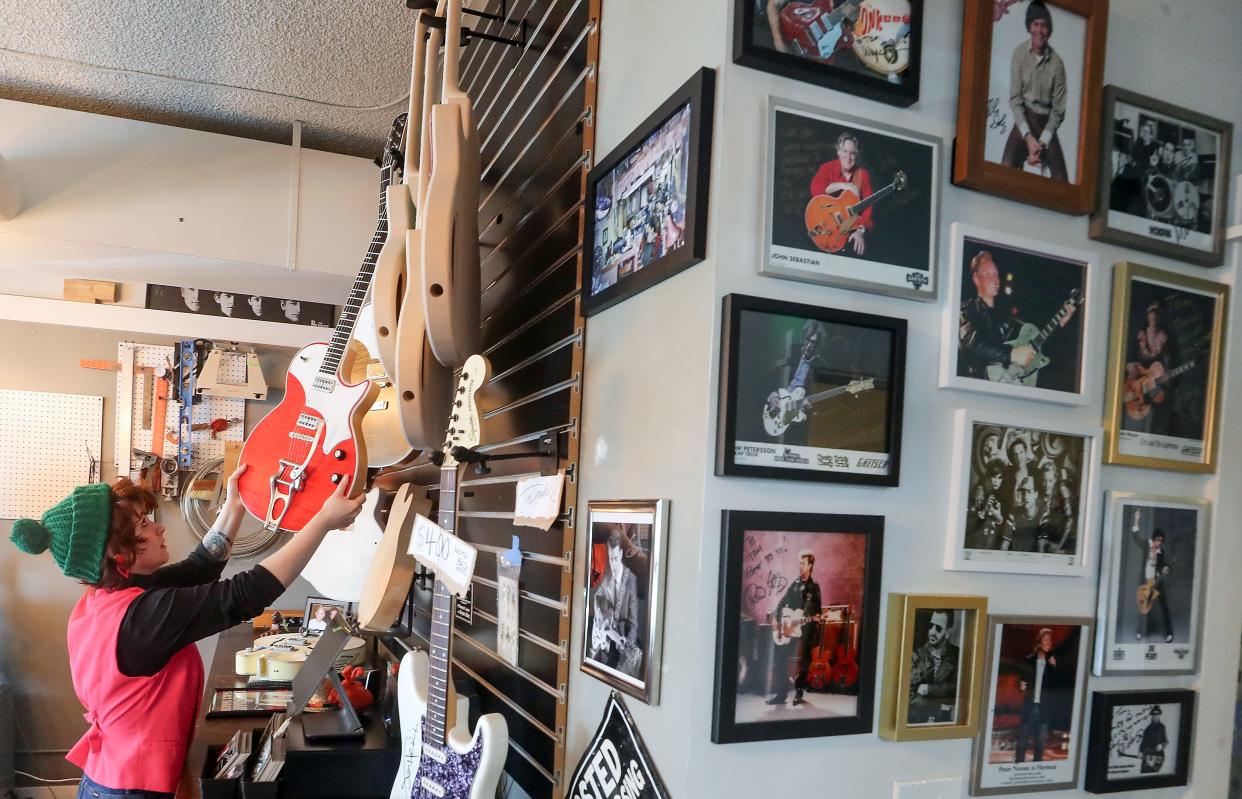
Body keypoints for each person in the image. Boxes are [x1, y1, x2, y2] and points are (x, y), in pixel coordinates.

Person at [8, 466, 365, 799]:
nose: (158, 527)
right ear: (117, 551)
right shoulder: (141, 617)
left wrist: (235, 505)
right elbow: (244, 594)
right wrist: (322, 522)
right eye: (144, 523)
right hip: (131, 787)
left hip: (111, 779)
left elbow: (199, 567)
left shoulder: (111, 597)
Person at [1001, 1, 1069, 181]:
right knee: (1005, 168)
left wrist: (1043, 142)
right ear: (1029, 27)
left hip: (1047, 125)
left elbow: (1058, 110)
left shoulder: (1057, 63)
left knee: (1061, 181)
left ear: (1050, 30)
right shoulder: (1019, 54)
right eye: (1035, 24)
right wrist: (1028, 137)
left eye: (1044, 25)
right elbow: (1015, 99)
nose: (1040, 31)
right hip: (1025, 120)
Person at [958, 252, 1037, 380]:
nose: (994, 279)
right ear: (976, 279)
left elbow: (1030, 335)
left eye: (996, 274)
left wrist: (1060, 321)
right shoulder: (967, 310)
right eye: (988, 274)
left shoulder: (1005, 314)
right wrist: (1012, 354)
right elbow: (972, 343)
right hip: (976, 384)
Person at [768, 549, 822, 706]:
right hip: (790, 627)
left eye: (803, 563)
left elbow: (818, 611)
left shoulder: (815, 587)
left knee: (804, 661)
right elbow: (782, 601)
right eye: (799, 563)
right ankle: (781, 694)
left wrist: (815, 618)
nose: (799, 566)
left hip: (806, 628)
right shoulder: (795, 584)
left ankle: (799, 693)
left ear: (810, 565)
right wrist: (776, 618)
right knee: (780, 657)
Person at [588, 530, 641, 678]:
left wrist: (627, 641)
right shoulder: (608, 574)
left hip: (621, 646)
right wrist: (598, 611)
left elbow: (634, 622)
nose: (613, 564)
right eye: (610, 559)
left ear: (622, 554)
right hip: (606, 644)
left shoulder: (630, 580)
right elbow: (598, 595)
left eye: (616, 558)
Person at [809, 132, 872, 254]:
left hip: (850, 229)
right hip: (824, 225)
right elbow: (815, 190)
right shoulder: (827, 168)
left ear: (856, 154)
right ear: (838, 151)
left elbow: (868, 207)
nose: (848, 157)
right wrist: (845, 185)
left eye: (852, 153)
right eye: (845, 151)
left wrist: (860, 230)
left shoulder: (863, 175)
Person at [1123, 298, 1177, 435]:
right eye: (1151, 312)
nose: (1154, 316)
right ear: (1147, 315)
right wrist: (1140, 374)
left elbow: (1167, 368)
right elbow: (1130, 360)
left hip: (1154, 386)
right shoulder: (1140, 336)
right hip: (1136, 383)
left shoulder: (1166, 339)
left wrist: (1158, 378)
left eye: (1157, 312)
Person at [1014, 627, 1064, 763]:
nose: (1048, 643)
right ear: (1039, 643)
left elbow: (1058, 687)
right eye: (1045, 640)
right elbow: (1021, 683)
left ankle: (1037, 767)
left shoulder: (1053, 663)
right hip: (1030, 706)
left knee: (1040, 743)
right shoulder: (1028, 660)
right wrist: (1020, 685)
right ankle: (1018, 765)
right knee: (1022, 739)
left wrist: (1055, 667)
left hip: (1045, 708)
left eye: (1050, 640)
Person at [908, 610, 960, 724]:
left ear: (947, 633)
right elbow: (909, 695)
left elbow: (958, 688)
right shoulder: (917, 655)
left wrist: (930, 689)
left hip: (945, 723)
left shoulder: (958, 655)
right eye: (931, 626)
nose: (932, 632)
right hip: (918, 721)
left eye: (938, 628)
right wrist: (939, 706)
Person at [1131, 508, 1174, 643]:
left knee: (1164, 606)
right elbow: (1135, 537)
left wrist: (1165, 570)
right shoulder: (1146, 545)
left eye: (1161, 540)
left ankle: (1169, 633)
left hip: (1156, 582)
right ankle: (1139, 632)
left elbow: (1162, 567)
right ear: (1153, 538)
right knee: (1144, 605)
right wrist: (1137, 519)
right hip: (1145, 581)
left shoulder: (1161, 552)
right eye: (1157, 540)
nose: (1159, 542)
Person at [1139, 705, 1169, 773]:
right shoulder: (1147, 729)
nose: (1155, 716)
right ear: (1151, 716)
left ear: (1159, 715)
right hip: (1146, 756)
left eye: (1157, 714)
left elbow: (1166, 741)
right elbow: (1143, 742)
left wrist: (1161, 745)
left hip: (1157, 757)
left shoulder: (1162, 727)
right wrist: (1140, 751)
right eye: (1154, 714)